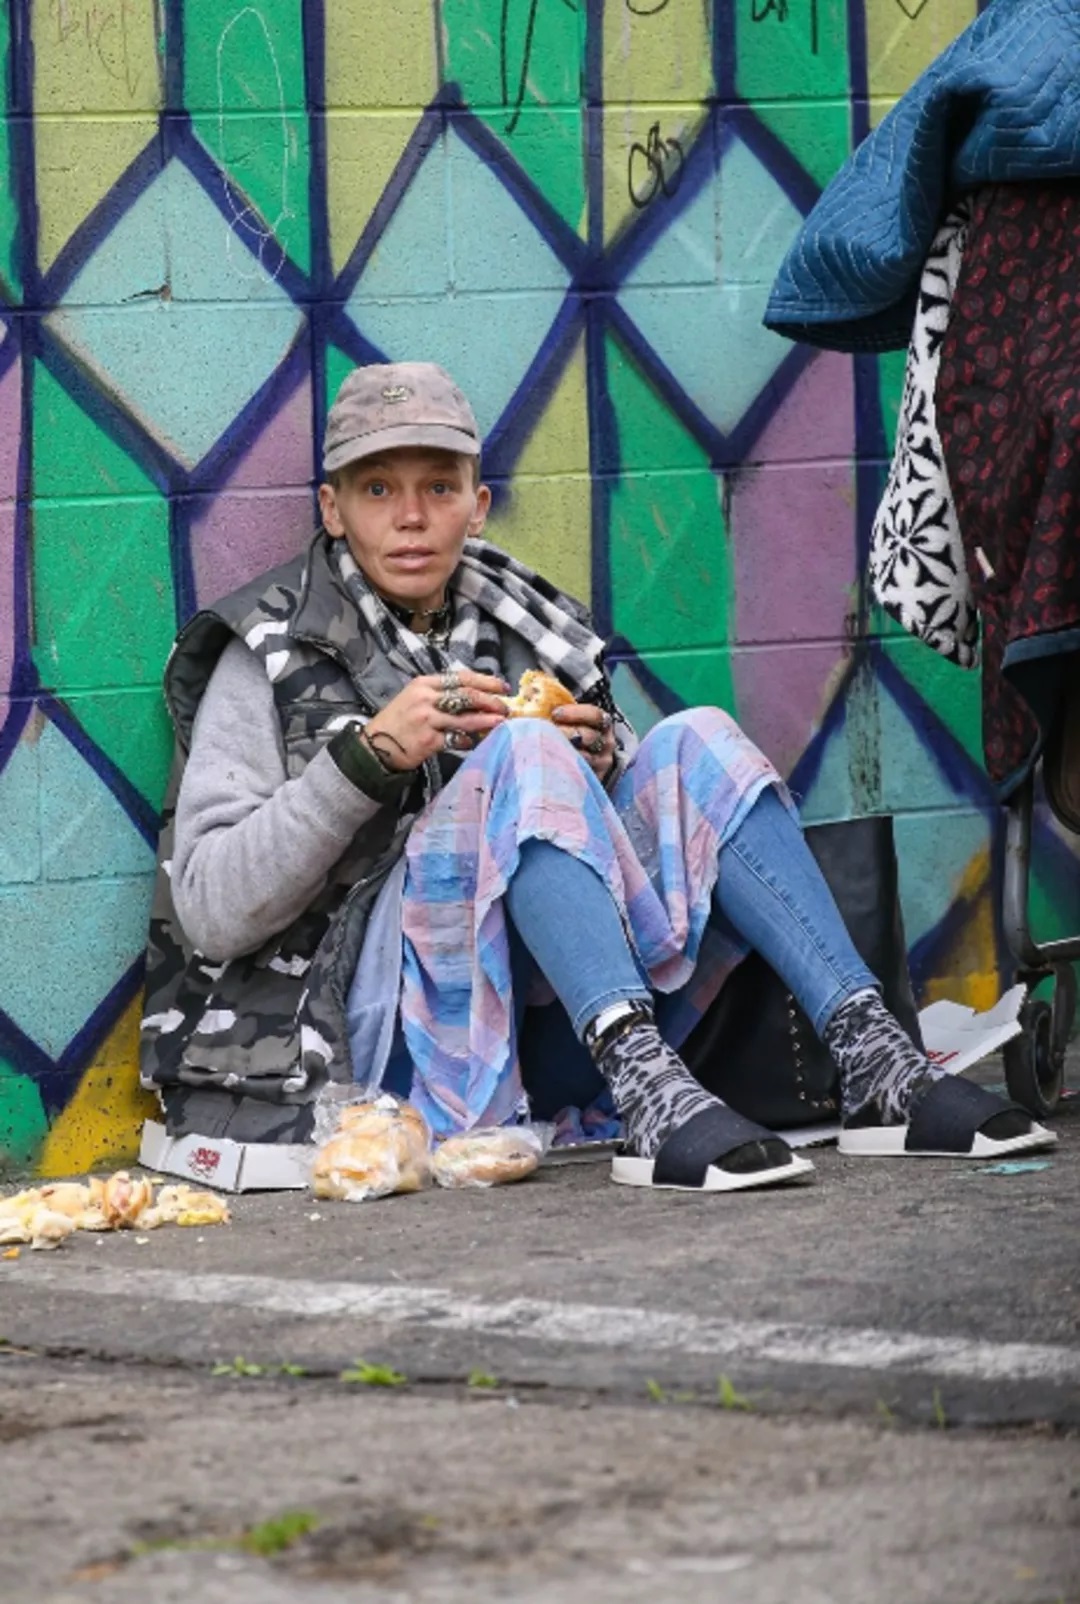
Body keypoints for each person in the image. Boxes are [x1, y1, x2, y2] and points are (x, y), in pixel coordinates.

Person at [139, 362, 1056, 1191]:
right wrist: (365, 758)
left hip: (539, 1032)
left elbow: (619, 845)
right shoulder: (267, 649)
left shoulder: (527, 627)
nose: (410, 517)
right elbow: (212, 912)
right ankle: (648, 1092)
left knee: (693, 739)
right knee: (522, 757)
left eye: (438, 488)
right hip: (364, 1052)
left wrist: (606, 769)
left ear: (477, 505)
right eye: (377, 489)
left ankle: (877, 1059)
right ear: (333, 509)